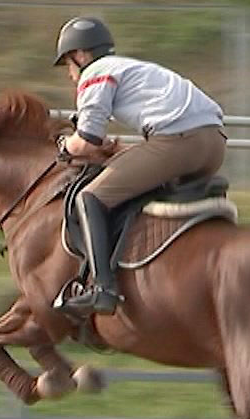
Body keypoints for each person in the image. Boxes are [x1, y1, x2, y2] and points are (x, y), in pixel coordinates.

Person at [53, 16, 227, 317]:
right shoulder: (130, 67)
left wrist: (63, 145)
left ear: (80, 55)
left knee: (89, 197)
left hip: (178, 143)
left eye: (68, 65)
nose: (71, 75)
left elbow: (87, 142)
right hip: (214, 144)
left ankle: (103, 289)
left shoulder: (95, 73)